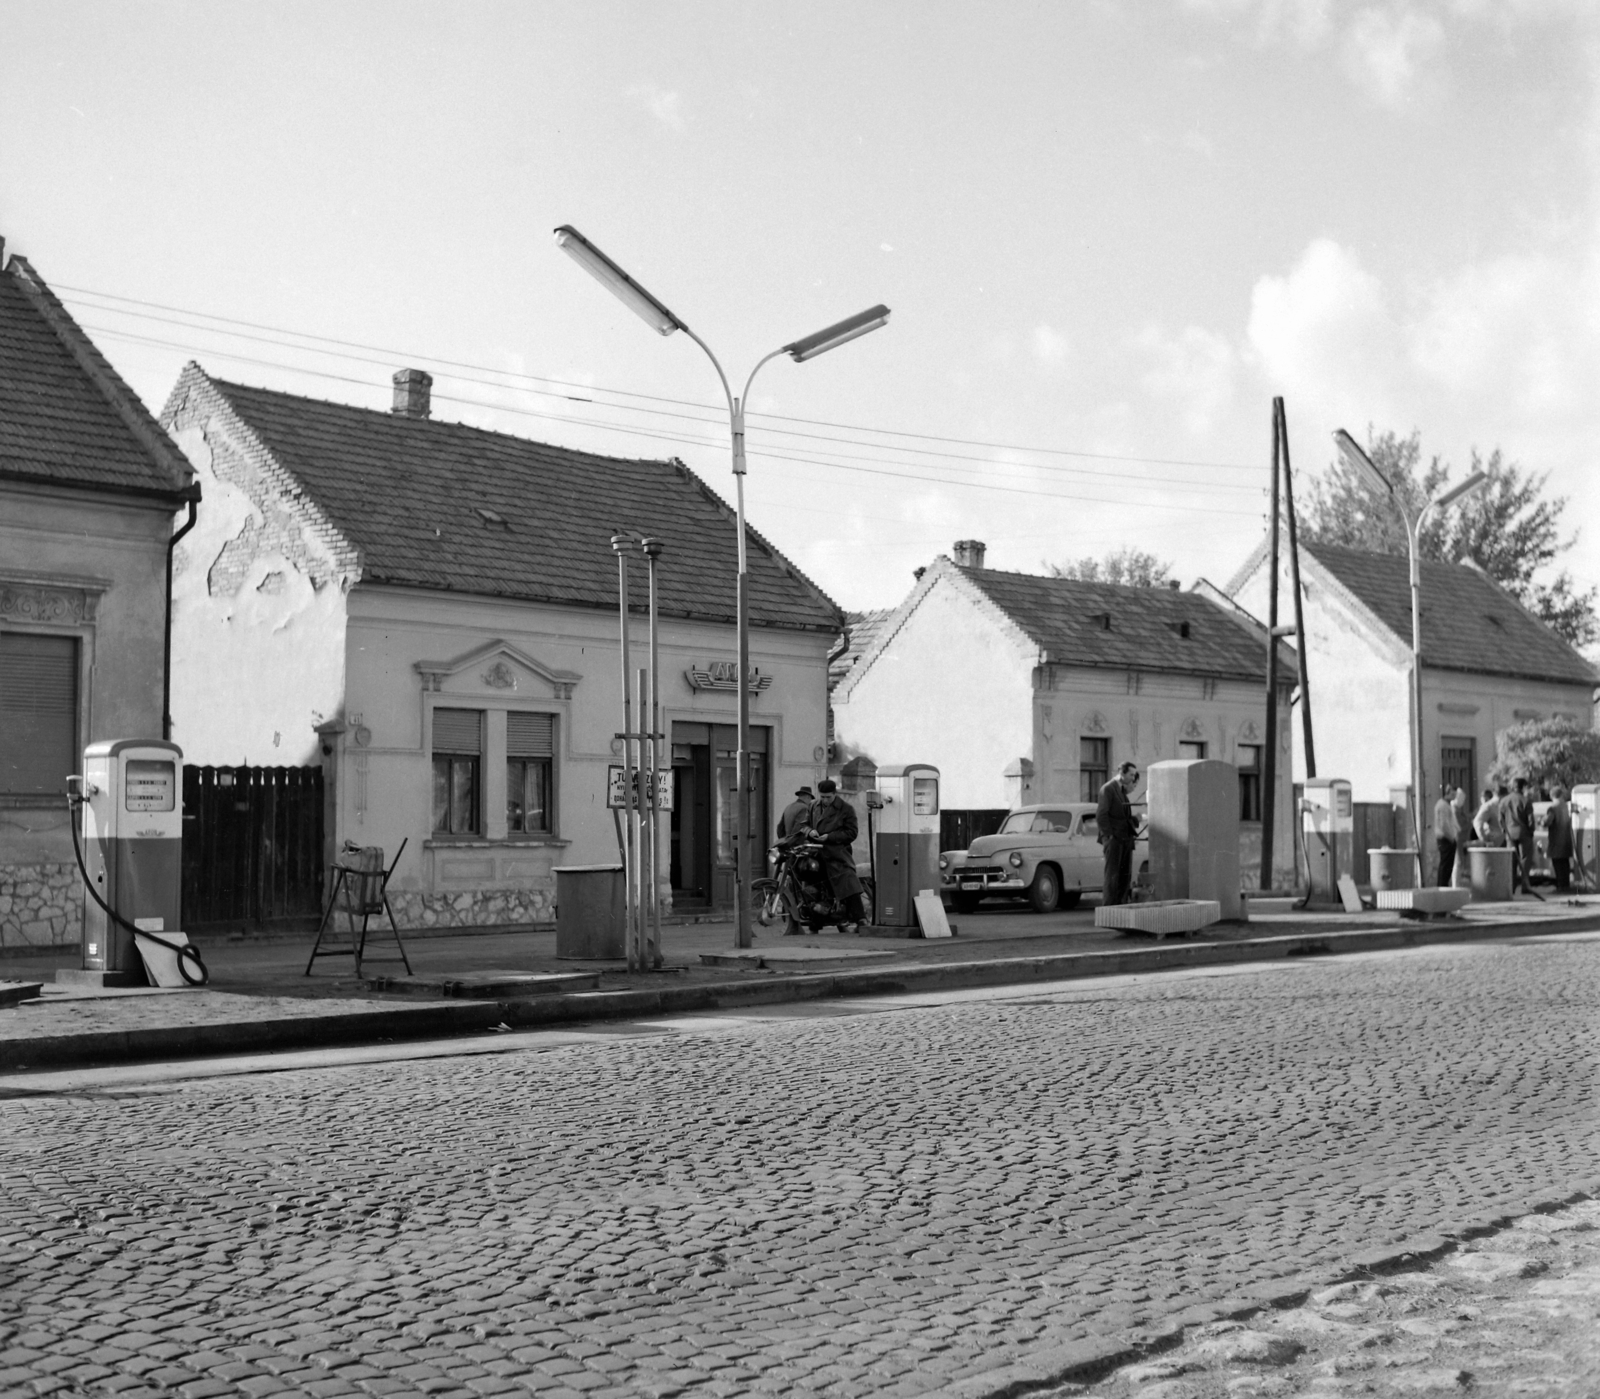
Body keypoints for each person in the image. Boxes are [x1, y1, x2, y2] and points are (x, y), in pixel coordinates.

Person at [804, 778, 865, 933]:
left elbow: (852, 832)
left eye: (828, 797)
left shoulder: (846, 809)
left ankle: (861, 919)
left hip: (836, 854)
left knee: (847, 879)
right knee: (809, 882)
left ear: (835, 794)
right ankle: (815, 920)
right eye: (822, 797)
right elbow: (803, 825)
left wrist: (830, 837)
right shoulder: (812, 806)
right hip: (815, 852)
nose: (824, 800)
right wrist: (809, 831)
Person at [1096, 761, 1141, 907]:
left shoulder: (1121, 791)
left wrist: (1135, 819)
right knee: (1112, 876)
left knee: (1124, 876)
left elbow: (1122, 816)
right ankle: (1109, 908)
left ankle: (1120, 906)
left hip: (1125, 839)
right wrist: (1109, 836)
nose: (1133, 778)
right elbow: (1101, 815)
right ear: (1122, 774)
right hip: (1115, 839)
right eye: (1131, 775)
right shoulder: (1108, 789)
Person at [1502, 778, 1535, 894]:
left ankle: (1511, 886)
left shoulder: (1504, 800)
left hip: (1509, 834)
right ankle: (1525, 886)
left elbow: (1500, 818)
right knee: (1525, 859)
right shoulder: (1526, 801)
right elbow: (1530, 820)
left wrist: (1504, 831)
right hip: (1524, 833)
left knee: (1511, 861)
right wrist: (1531, 831)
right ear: (1523, 787)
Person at [1546, 785, 1574, 893]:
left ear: (1551, 795)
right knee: (1565, 864)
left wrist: (1541, 821)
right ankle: (1566, 885)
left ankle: (1560, 886)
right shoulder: (1566, 806)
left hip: (1556, 840)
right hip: (1566, 840)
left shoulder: (1552, 808)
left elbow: (1548, 821)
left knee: (1557, 864)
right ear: (1561, 795)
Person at [1432, 782, 1459, 888]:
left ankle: (1444, 884)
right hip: (1445, 838)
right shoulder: (1443, 805)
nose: (1454, 796)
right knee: (1446, 864)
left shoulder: (1446, 805)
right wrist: (1451, 838)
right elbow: (1444, 824)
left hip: (1447, 838)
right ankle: (1442, 885)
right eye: (1453, 793)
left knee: (1448, 865)